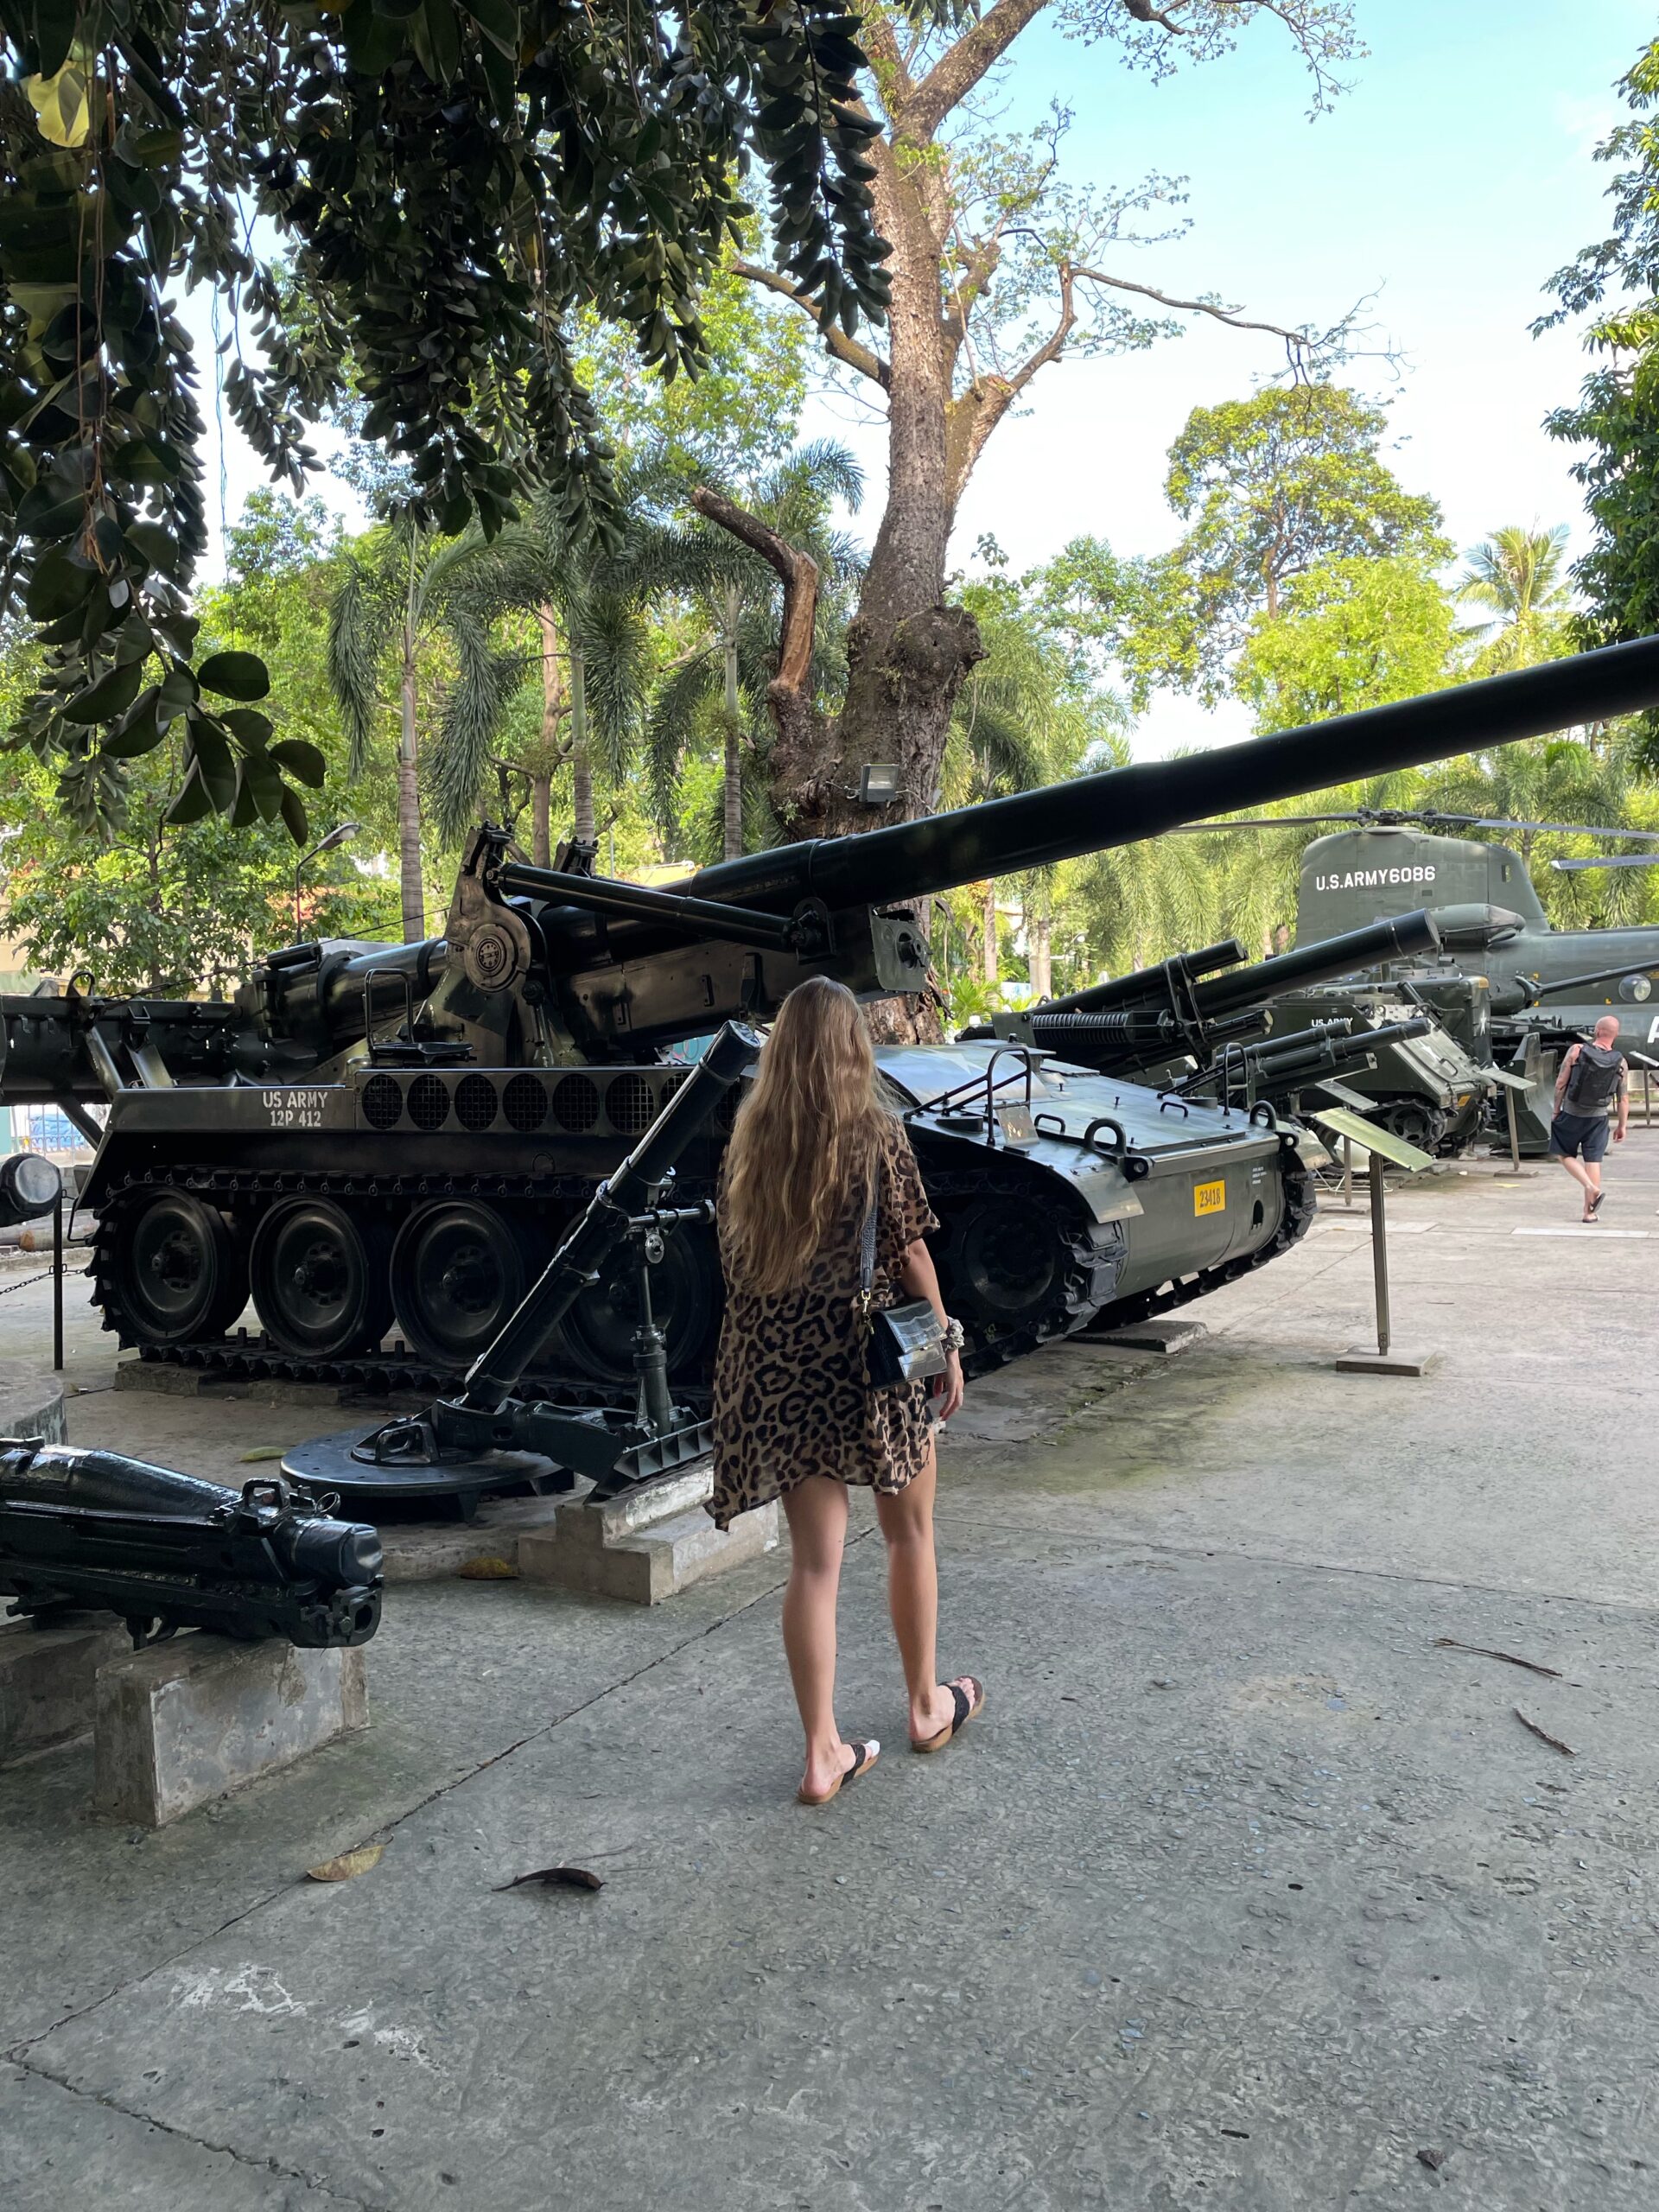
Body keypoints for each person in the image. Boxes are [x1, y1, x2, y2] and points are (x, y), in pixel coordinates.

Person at [708, 976, 982, 1806]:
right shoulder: (876, 1134)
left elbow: (736, 1257)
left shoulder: (751, 1140)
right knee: (910, 1533)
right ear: (852, 1051)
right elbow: (911, 1254)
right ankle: (925, 1706)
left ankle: (823, 1752)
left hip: (776, 1365)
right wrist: (944, 1348)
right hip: (864, 1362)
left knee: (816, 1565)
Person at [1550, 1014, 1630, 1219]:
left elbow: (1561, 1083)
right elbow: (1623, 1099)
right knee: (1593, 1161)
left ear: (1596, 1031)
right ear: (1616, 1035)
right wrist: (1622, 1125)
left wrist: (1556, 1110)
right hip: (1599, 1117)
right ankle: (1589, 1213)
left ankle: (1590, 1186)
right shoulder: (1621, 1061)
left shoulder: (1577, 1051)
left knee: (1563, 1153)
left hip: (1572, 1113)